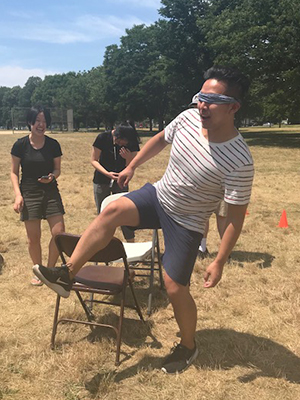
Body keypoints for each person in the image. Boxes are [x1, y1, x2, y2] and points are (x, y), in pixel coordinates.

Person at [33, 66, 254, 374]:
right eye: (200, 97)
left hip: (188, 220)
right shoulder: (187, 118)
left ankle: (189, 345)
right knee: (111, 210)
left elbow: (233, 217)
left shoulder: (239, 159)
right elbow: (161, 139)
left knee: (174, 286)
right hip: (159, 196)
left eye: (212, 100)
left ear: (233, 107)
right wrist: (132, 166)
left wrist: (219, 259)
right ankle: (67, 274)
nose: (202, 105)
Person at [11, 105, 65, 286]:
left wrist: (52, 177)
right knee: (33, 238)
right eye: (38, 121)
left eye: (44, 121)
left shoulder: (53, 144)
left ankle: (48, 271)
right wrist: (18, 196)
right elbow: (13, 172)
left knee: (59, 234)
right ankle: (37, 268)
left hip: (50, 191)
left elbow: (57, 169)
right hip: (29, 192)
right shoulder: (20, 145)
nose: (41, 125)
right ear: (30, 122)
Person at [91, 123, 140, 242]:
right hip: (101, 180)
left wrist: (128, 158)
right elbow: (93, 160)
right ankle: (103, 244)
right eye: (123, 141)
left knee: (125, 213)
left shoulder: (132, 143)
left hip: (121, 181)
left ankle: (131, 245)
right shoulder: (102, 138)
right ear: (117, 136)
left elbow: (131, 168)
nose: (124, 144)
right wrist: (107, 173)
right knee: (102, 214)